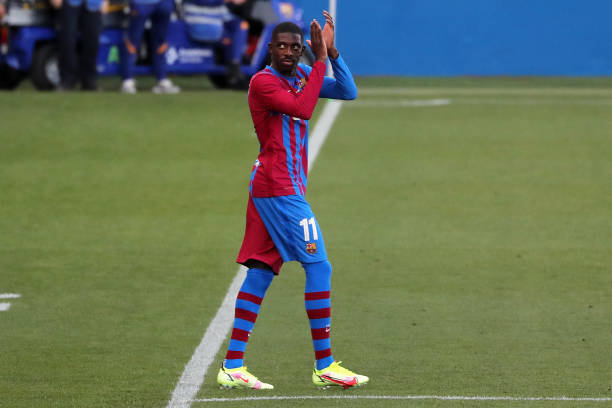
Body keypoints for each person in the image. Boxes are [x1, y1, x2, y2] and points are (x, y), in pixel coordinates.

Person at [216, 12, 368, 390]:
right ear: (269, 49)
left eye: (294, 47)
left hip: (281, 188)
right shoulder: (263, 83)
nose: (287, 52)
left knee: (262, 270)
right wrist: (317, 61)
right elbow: (301, 108)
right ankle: (325, 364)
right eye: (282, 46)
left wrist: (331, 52)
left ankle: (233, 365)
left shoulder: (302, 73)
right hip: (278, 188)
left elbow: (347, 91)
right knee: (320, 266)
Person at [182, 0, 249, 87]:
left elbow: (227, 17)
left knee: (242, 25)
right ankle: (234, 71)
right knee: (230, 41)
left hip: (215, 29)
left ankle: (235, 66)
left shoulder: (218, 5)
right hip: (200, 27)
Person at [120, 0, 180, 94]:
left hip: (162, 4)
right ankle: (128, 81)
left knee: (160, 42)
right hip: (142, 3)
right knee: (132, 41)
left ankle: (161, 80)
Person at [52, 0, 103, 91]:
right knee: (67, 40)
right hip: (69, 3)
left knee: (92, 41)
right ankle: (67, 80)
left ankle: (89, 80)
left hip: (93, 3)